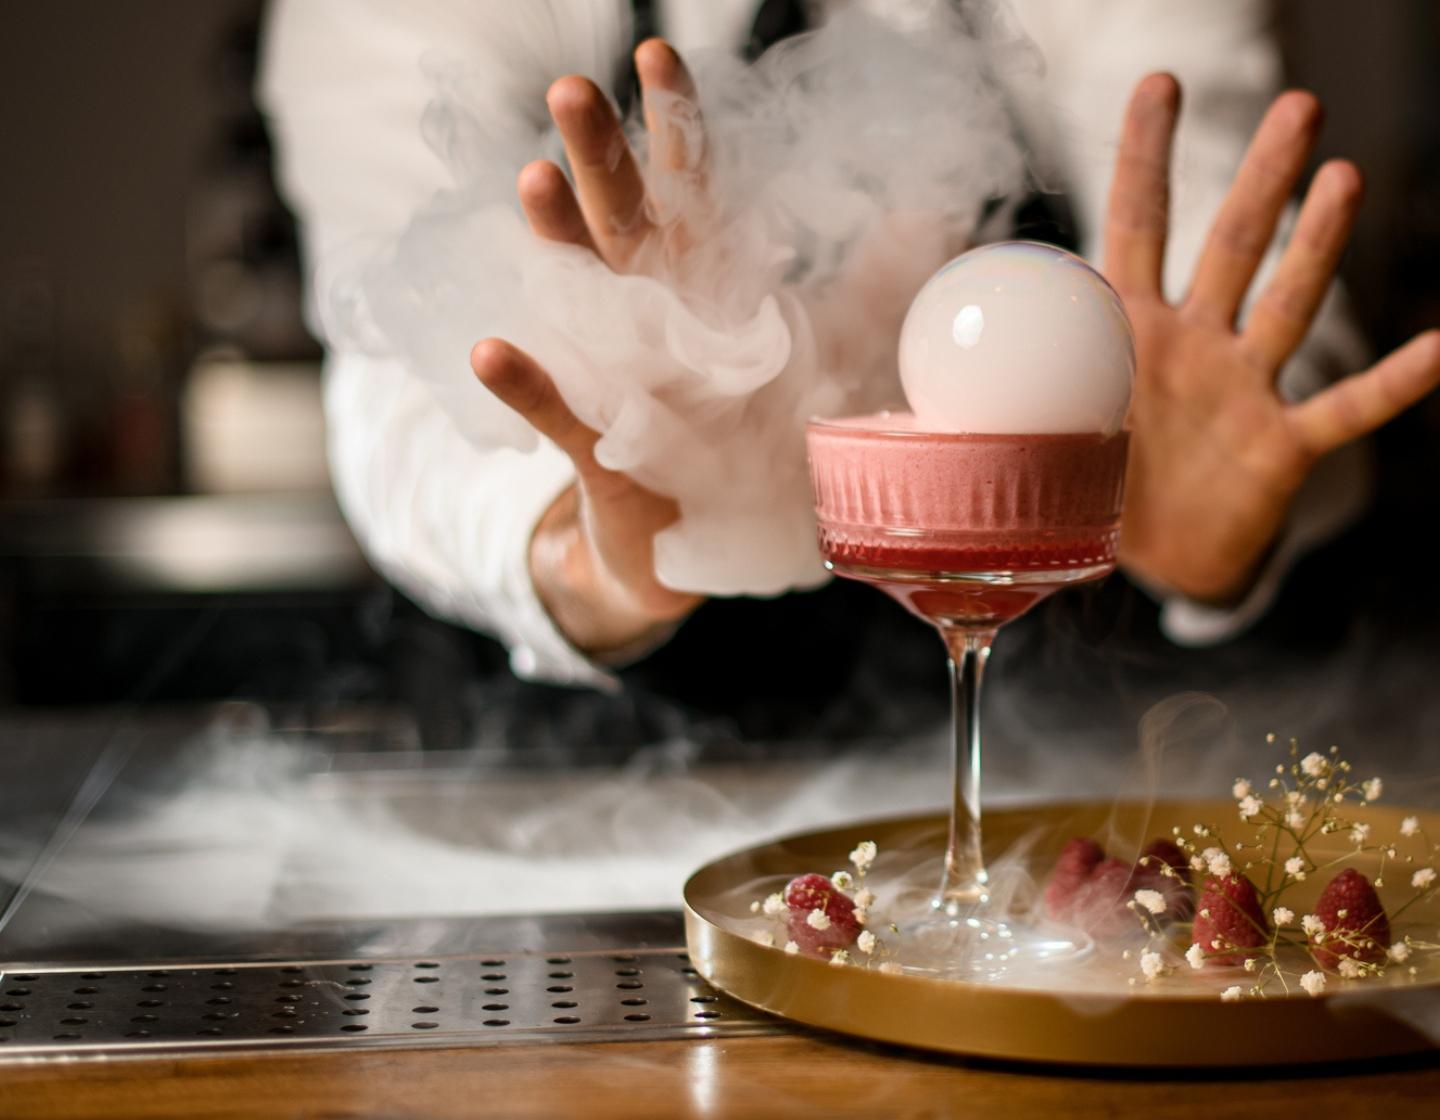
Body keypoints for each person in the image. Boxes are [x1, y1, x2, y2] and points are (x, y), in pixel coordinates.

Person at [260, 0, 1440, 707]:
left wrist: (1205, 503)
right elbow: (391, 378)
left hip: (1066, 726)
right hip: (588, 767)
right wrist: (587, 549)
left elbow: (1234, 261)